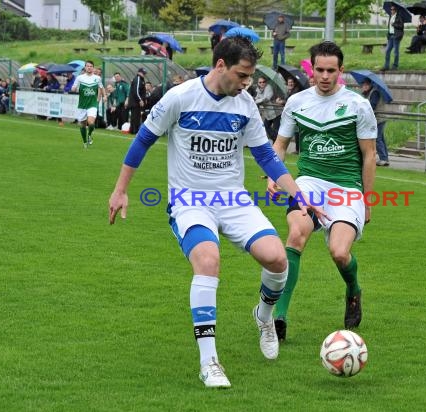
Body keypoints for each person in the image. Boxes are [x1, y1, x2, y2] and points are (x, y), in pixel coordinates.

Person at [108, 36, 326, 389]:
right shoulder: (180, 97)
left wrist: (298, 195)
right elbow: (143, 140)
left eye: (250, 77)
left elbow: (266, 157)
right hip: (189, 200)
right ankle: (209, 362)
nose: (246, 83)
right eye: (242, 75)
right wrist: (120, 190)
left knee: (277, 260)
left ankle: (264, 316)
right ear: (220, 65)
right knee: (208, 262)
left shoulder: (245, 105)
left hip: (233, 200)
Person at [267, 41, 377, 341]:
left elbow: (369, 155)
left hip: (346, 186)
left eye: (331, 70)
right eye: (320, 70)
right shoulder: (297, 101)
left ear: (341, 71)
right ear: (311, 69)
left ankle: (353, 290)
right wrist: (273, 173)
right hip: (310, 182)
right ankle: (279, 317)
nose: (325, 76)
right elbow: (280, 144)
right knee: (296, 234)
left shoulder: (358, 105)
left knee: (340, 253)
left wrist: (367, 203)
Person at [71, 60, 104, 148]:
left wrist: (104, 96)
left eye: (91, 66)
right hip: (82, 104)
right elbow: (73, 87)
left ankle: (89, 135)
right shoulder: (80, 78)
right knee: (83, 124)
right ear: (85, 67)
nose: (89, 67)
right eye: (87, 66)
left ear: (93, 68)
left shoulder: (97, 78)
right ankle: (85, 142)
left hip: (92, 104)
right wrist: (73, 89)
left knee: (91, 122)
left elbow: (101, 87)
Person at [362, 79, 390, 166]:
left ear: (370, 85)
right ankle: (385, 158)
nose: (365, 86)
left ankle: (383, 158)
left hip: (379, 118)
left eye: (367, 85)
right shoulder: (371, 92)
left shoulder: (374, 92)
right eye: (364, 85)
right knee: (381, 138)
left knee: (377, 138)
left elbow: (372, 105)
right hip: (378, 118)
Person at [254, 76, 279, 141]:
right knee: (266, 127)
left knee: (275, 129)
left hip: (276, 112)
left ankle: (275, 143)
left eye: (263, 82)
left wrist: (258, 101)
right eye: (260, 82)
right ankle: (275, 140)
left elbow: (266, 99)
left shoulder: (269, 87)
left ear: (266, 82)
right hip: (268, 113)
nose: (262, 83)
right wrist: (258, 100)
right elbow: (256, 98)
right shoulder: (258, 90)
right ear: (258, 83)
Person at [382, 3, 405, 71]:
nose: (391, 10)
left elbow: (401, 26)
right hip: (391, 36)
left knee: (395, 52)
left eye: (393, 9)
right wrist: (388, 35)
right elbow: (389, 27)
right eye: (391, 9)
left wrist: (394, 24)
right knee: (387, 51)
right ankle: (386, 66)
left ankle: (395, 66)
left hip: (396, 36)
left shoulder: (399, 17)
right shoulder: (390, 16)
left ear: (396, 10)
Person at [127, 68, 147, 135]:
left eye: (144, 73)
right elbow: (136, 91)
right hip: (135, 102)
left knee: (135, 116)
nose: (144, 75)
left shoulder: (140, 79)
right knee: (136, 117)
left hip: (135, 102)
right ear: (139, 72)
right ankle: (135, 130)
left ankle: (132, 130)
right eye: (143, 73)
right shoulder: (138, 79)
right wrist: (140, 100)